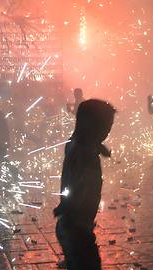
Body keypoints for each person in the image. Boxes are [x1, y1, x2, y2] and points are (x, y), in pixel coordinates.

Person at [54, 99, 116, 270]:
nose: (107, 132)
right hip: (77, 227)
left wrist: (99, 146)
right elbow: (81, 187)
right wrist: (68, 207)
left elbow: (83, 140)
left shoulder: (75, 142)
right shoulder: (85, 154)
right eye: (105, 127)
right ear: (92, 126)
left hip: (70, 225)